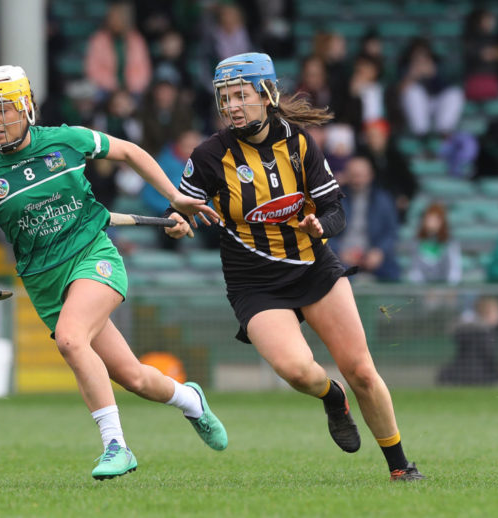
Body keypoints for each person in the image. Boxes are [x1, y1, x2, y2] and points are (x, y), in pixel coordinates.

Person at [164, 52, 425, 481]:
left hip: (312, 268)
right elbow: (183, 208)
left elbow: (334, 211)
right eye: (224, 97)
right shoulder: (210, 155)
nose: (231, 105)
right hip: (255, 283)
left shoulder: (299, 142)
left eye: (240, 95)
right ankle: (331, 396)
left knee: (361, 369)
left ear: (267, 95)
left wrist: (320, 225)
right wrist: (177, 222)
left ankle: (400, 468)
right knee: (298, 371)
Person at [0, 65, 227, 480]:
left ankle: (116, 446)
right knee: (134, 377)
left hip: (92, 256)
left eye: (2, 110)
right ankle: (191, 400)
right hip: (45, 284)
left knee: (70, 340)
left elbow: (131, 153)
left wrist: (176, 196)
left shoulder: (67, 140)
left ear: (25, 106)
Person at [332, 156, 401, 282]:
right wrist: (339, 252)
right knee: (339, 273)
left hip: (372, 253)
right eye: (353, 175)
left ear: (370, 176)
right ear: (347, 175)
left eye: (361, 175)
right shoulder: (334, 199)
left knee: (393, 272)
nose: (357, 180)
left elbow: (391, 232)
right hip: (343, 255)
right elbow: (324, 234)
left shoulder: (383, 200)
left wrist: (379, 251)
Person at [406, 202, 462, 285]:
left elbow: (455, 272)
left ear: (442, 222)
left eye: (435, 219)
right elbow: (415, 272)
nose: (432, 222)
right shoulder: (417, 243)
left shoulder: (450, 244)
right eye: (429, 219)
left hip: (445, 292)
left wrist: (447, 289)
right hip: (424, 293)